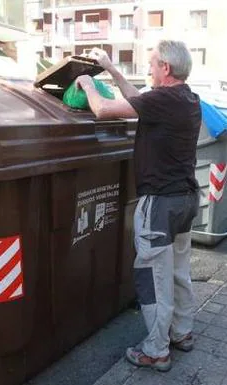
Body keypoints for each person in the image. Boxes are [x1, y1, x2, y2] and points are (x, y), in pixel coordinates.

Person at [75, 40, 201, 372]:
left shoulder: (162, 99)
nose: (148, 68)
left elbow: (103, 109)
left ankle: (157, 350)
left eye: (152, 63)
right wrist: (111, 68)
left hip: (160, 204)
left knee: (153, 278)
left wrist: (87, 82)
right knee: (178, 272)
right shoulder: (187, 98)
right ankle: (182, 333)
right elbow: (137, 100)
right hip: (185, 200)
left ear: (166, 69)